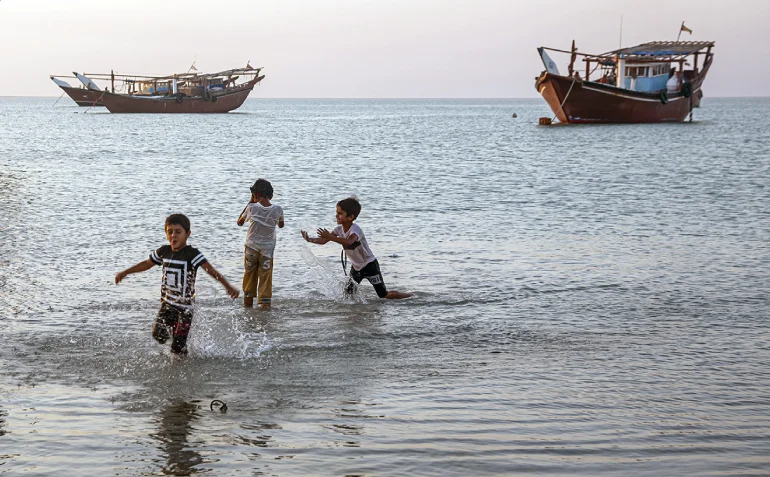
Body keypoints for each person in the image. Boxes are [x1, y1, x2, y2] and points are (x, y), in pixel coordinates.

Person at [115, 214, 239, 354]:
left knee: (178, 345)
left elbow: (211, 271)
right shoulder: (164, 251)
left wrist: (228, 287)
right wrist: (126, 272)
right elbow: (147, 264)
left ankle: (181, 360)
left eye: (178, 232)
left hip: (185, 308)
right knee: (158, 335)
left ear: (187, 234)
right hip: (167, 305)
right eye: (170, 232)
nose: (173, 235)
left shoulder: (192, 254)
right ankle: (179, 348)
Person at [301, 197, 411, 299]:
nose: (336, 216)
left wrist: (330, 237)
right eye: (336, 213)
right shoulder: (339, 229)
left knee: (382, 294)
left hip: (369, 265)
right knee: (347, 294)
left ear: (350, 217)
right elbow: (324, 240)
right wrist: (310, 239)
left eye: (340, 213)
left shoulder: (355, 229)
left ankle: (409, 296)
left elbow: (349, 241)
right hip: (356, 268)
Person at [237, 179, 284, 309]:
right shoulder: (278, 209)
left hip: (251, 248)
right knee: (265, 278)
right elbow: (281, 225)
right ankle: (264, 311)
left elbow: (239, 222)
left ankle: (248, 308)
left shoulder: (251, 208)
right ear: (271, 195)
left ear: (255, 195)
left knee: (249, 277)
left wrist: (250, 202)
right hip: (267, 250)